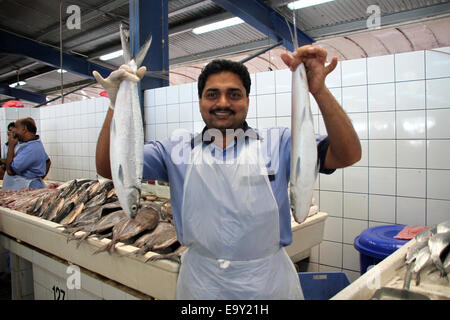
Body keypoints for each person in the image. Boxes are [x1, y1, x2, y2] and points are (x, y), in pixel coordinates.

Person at [94, 45, 361, 300]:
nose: (223, 103)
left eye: (234, 94)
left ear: (247, 100)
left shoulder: (279, 142)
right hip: (201, 283)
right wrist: (115, 106)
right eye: (212, 94)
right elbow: (109, 167)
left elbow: (347, 154)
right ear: (200, 101)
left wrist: (319, 90)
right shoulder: (175, 148)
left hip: (268, 283)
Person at [3, 117, 51, 190]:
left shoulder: (31, 148)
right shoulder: (28, 144)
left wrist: (11, 146)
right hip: (21, 189)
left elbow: (10, 171)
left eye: (16, 127)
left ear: (24, 129)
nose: (13, 130)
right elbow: (48, 161)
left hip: (28, 188)